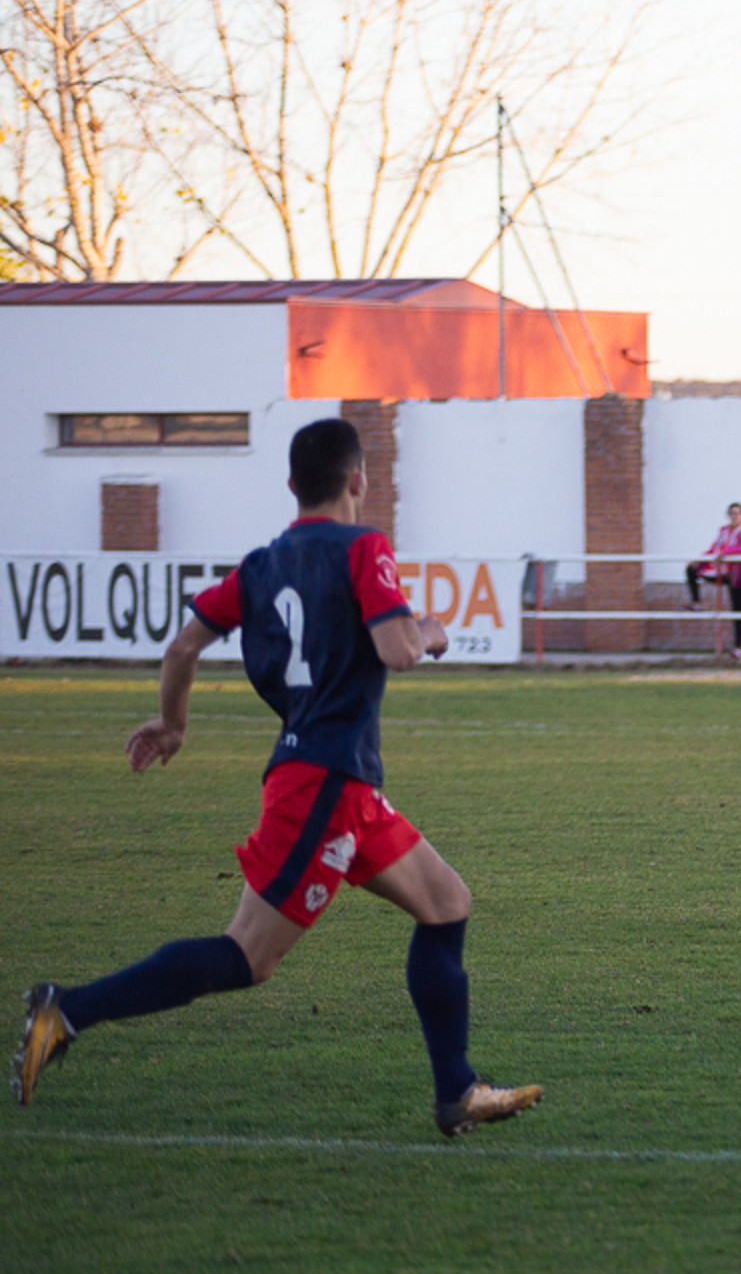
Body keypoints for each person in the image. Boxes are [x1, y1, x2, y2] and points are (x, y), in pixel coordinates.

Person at [9, 418, 544, 1137]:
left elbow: (182, 645)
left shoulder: (261, 566)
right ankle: (65, 1010)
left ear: (292, 486)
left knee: (446, 902)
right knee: (247, 957)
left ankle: (459, 1092)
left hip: (342, 783)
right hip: (322, 786)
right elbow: (401, 649)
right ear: (358, 480)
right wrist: (433, 630)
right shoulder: (365, 547)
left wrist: (172, 724)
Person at [686, 502, 741, 661]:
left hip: (737, 573)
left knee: (737, 609)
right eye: (732, 513)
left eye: (738, 513)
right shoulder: (723, 531)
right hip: (719, 569)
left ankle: (738, 648)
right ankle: (696, 601)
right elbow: (714, 549)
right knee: (691, 569)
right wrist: (700, 559)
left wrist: (725, 553)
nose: (735, 516)